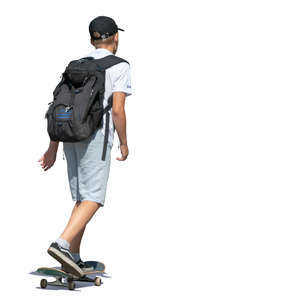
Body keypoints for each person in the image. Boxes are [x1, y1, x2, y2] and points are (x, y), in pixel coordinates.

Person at [38, 16, 132, 276]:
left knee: (82, 198)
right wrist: (123, 143)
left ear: (91, 40)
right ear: (115, 38)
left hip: (70, 136)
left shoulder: (76, 65)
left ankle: (73, 256)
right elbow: (118, 109)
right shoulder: (119, 66)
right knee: (93, 198)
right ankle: (62, 244)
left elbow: (60, 105)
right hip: (96, 137)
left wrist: (53, 147)